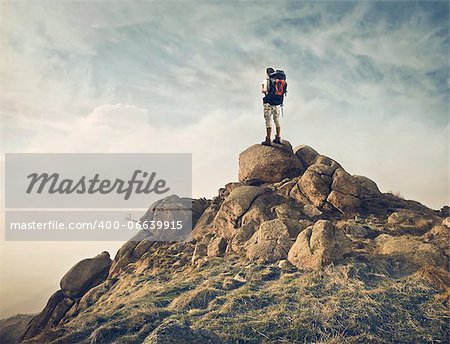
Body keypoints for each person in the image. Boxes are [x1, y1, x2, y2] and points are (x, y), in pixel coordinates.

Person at [261, 67, 287, 146]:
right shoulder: (281, 81)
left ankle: (268, 139)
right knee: (276, 120)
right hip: (277, 103)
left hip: (268, 103)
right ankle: (278, 138)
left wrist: (263, 90)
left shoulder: (267, 81)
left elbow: (264, 90)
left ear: (267, 73)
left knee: (268, 120)